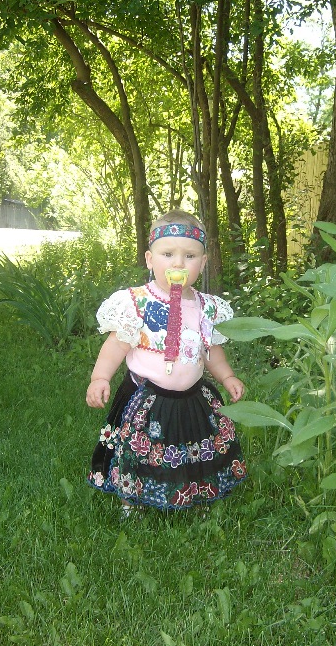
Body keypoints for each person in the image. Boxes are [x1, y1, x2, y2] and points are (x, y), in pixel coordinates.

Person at [86, 210, 247, 514]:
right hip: (146, 396)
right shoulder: (138, 302)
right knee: (137, 450)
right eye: (168, 254)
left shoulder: (206, 307)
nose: (178, 263)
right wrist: (100, 378)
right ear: (150, 259)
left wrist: (227, 377)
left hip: (191, 398)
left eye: (190, 256)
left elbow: (211, 349)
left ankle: (194, 491)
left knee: (192, 447)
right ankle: (132, 499)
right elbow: (116, 344)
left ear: (203, 262)